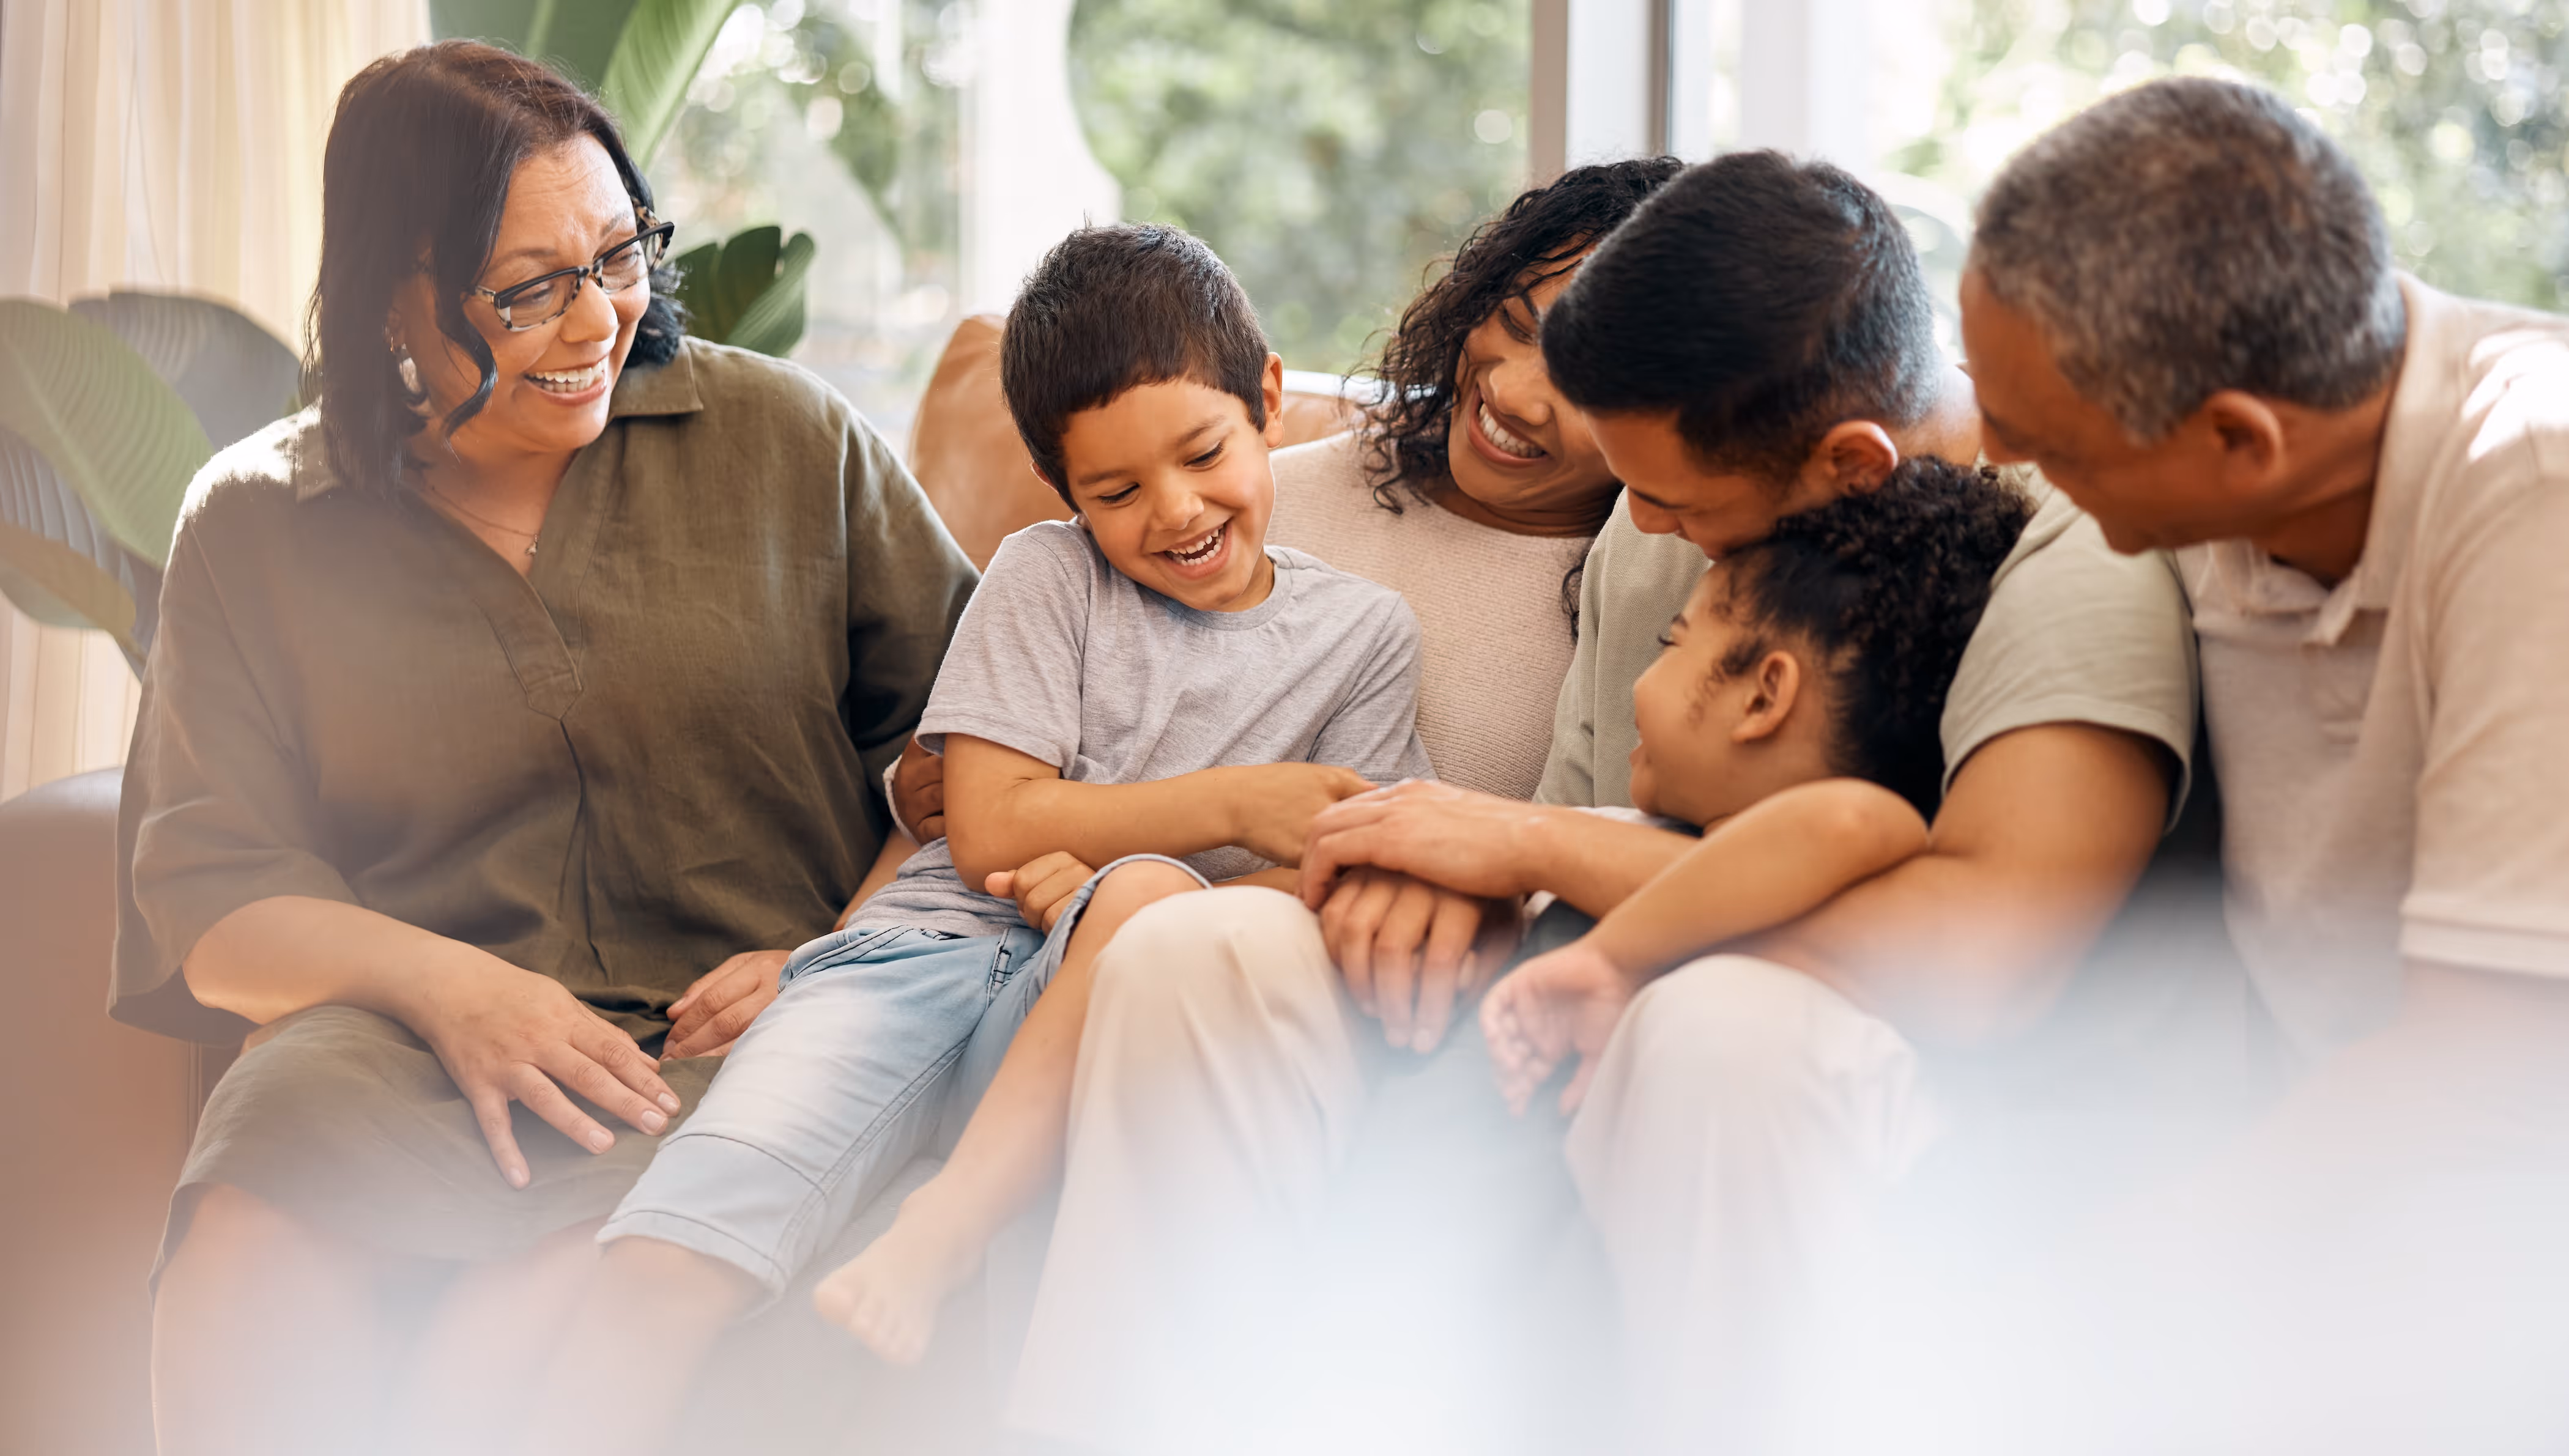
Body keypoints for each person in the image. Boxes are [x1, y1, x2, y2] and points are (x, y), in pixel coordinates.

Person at [1004, 151, 2202, 1456]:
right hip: (1594, 986)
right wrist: (1449, 877)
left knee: (1715, 1024)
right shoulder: (1651, 515)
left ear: (1850, 464)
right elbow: (1572, 849)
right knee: (1200, 942)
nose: (1641, 529)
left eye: (1679, 503)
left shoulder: (2077, 548)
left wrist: (1519, 840)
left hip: (1880, 1063)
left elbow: (1982, 958)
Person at [117, 42, 976, 1456]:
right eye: (530, 287)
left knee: (506, 1329)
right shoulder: (255, 523)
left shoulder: (785, 440)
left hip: (751, 1022)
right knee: (246, 1244)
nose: (599, 318)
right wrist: (456, 991)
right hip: (411, 1041)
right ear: (393, 291)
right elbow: (211, 907)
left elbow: (984, 762)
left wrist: (839, 962)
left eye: (621, 253)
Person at [524, 222, 1432, 1451]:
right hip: (913, 957)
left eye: (1204, 452)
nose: (1174, 511)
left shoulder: (1368, 634)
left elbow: (1336, 868)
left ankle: (941, 1231)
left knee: (1149, 894)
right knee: (676, 1244)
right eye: (1115, 491)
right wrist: (1230, 801)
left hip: (1103, 991)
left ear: (1267, 400)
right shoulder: (1044, 573)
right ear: (1066, 494)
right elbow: (995, 819)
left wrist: (1114, 869)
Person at [1954, 77, 2569, 1450]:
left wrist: (2074, 1285)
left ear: (2239, 439)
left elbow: (2491, 1064)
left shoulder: (2538, 480)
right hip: (2341, 1131)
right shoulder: (2218, 450)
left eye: (2044, 441)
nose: (2001, 457)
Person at [1483, 458, 2033, 1115]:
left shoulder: (1863, 925)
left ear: (1763, 696)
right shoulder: (1612, 832)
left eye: (1672, 641)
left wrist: (1604, 949)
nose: (1638, 683)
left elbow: (1848, 822)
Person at [1266, 157, 1681, 800]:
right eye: (1516, 324)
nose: (1513, 393)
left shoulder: (1649, 609)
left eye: (1585, 384)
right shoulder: (1258, 496)